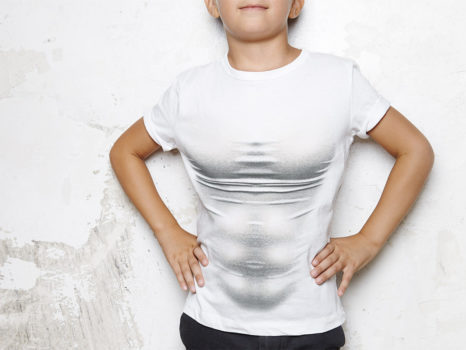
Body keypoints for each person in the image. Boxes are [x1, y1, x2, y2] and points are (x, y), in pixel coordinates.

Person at [109, 0, 434, 349]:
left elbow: (415, 150)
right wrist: (167, 231)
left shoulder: (339, 80)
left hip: (310, 326)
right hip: (212, 324)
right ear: (212, 5)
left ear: (295, 5)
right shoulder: (188, 91)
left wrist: (368, 241)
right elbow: (124, 151)